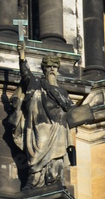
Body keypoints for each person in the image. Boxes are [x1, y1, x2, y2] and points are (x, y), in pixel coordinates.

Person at [7, 42, 74, 189]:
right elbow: (26, 74)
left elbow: (71, 109)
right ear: (44, 70)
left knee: (57, 155)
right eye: (48, 67)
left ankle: (54, 179)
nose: (51, 70)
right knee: (38, 150)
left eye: (54, 67)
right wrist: (22, 56)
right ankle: (36, 179)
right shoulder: (36, 82)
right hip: (40, 125)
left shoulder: (62, 92)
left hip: (58, 126)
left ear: (57, 71)